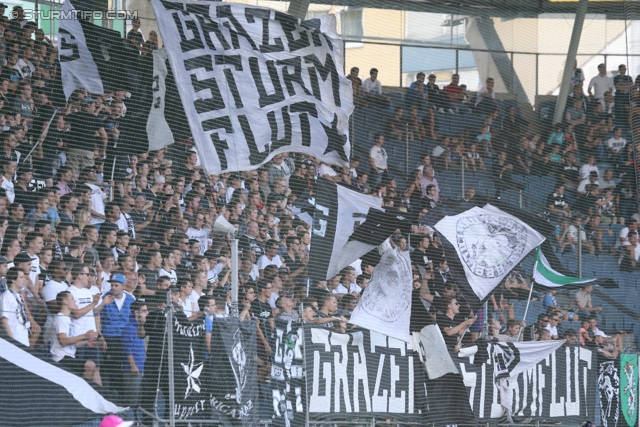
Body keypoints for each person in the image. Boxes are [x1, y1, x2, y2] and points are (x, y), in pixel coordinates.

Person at [49, 290, 101, 384]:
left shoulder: (66, 319)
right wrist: (84, 335)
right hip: (61, 358)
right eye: (72, 299)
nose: (75, 301)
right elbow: (64, 341)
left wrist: (86, 342)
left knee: (95, 368)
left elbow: (70, 343)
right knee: (90, 365)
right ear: (65, 302)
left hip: (69, 357)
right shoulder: (60, 318)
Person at [122, 299, 148, 415]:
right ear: (136, 313)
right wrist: (133, 366)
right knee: (133, 399)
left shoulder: (140, 327)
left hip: (141, 366)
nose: (147, 313)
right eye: (144, 311)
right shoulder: (129, 328)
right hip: (133, 369)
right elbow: (127, 348)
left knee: (140, 397)